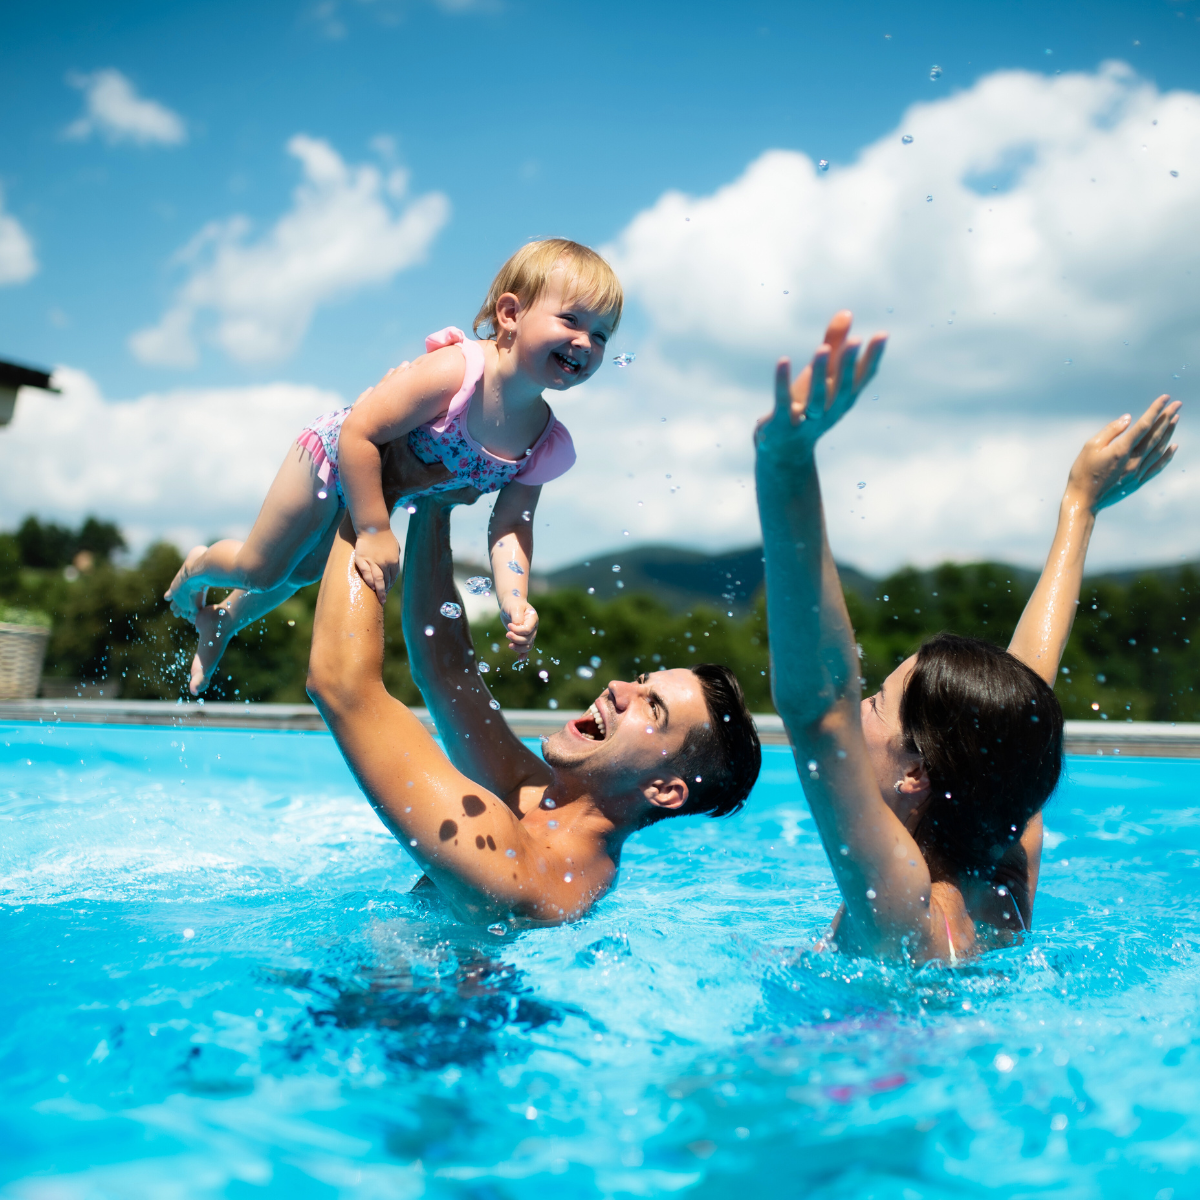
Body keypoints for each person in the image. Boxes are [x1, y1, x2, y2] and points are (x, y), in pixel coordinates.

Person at [756, 310, 1180, 963]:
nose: (854, 710)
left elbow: (817, 711)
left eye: (871, 706)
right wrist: (1079, 508)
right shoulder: (1000, 877)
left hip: (852, 1066)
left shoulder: (900, 904)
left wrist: (784, 464)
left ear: (917, 773)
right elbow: (1017, 703)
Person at [165, 238, 621, 695]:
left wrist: (514, 598)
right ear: (510, 314)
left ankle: (222, 621)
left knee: (303, 571)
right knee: (260, 569)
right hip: (331, 457)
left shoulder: (542, 438)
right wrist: (374, 530)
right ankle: (197, 569)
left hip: (379, 490)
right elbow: (360, 432)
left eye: (601, 335)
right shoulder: (457, 373)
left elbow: (510, 524)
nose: (586, 342)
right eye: (571, 320)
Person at [303, 474, 763, 927]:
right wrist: (433, 502)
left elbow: (341, 687)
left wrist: (376, 492)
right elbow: (446, 671)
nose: (618, 689)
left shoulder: (517, 870)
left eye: (652, 708)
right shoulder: (539, 800)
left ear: (663, 790)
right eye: (640, 681)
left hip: (390, 1002)